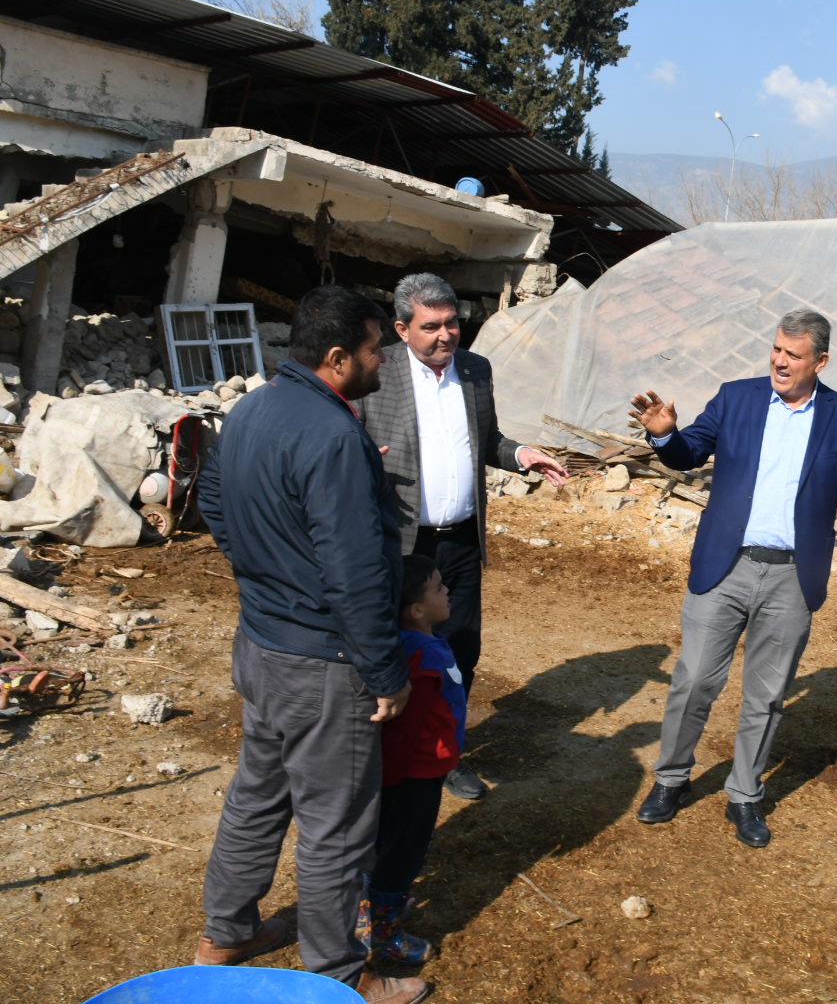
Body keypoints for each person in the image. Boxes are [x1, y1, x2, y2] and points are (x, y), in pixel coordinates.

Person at [195, 285, 427, 1004]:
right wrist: (385, 671)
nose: (383, 361)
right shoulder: (333, 435)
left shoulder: (253, 407)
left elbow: (210, 496)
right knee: (337, 825)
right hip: (324, 664)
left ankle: (225, 932)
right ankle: (338, 973)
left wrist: (263, 570)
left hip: (262, 643)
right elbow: (356, 572)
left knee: (257, 795)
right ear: (336, 358)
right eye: (374, 350)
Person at [629, 309, 837, 848]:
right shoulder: (737, 397)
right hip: (724, 565)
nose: (780, 361)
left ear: (820, 361)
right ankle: (671, 778)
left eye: (793, 354)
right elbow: (689, 452)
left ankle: (745, 794)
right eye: (776, 349)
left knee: (768, 695)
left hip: (793, 576)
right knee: (694, 680)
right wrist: (665, 436)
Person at [357, 272, 568, 800]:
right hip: (399, 543)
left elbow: (487, 439)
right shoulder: (376, 370)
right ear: (402, 329)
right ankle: (373, 752)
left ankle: (445, 752)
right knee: (386, 647)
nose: (445, 335)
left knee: (458, 649)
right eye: (431, 326)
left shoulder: (475, 369)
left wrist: (522, 455)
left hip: (459, 543)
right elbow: (348, 440)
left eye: (452, 323)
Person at [357, 553, 468, 965]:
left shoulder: (419, 645)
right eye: (438, 588)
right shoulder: (422, 657)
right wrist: (396, 775)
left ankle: (375, 905)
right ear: (417, 609)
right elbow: (407, 727)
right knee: (403, 850)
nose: (447, 591)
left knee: (393, 843)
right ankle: (382, 932)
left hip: (418, 769)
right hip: (415, 773)